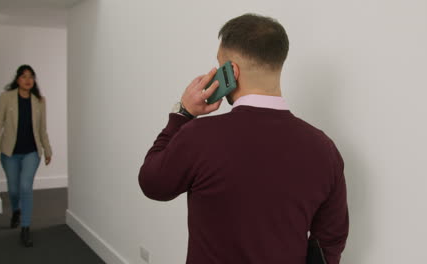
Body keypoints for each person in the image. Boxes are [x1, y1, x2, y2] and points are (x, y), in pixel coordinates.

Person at [139, 14, 348, 264]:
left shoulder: (199, 136)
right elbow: (330, 240)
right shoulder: (325, 149)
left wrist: (183, 113)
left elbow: (152, 183)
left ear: (232, 71)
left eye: (219, 65)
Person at [0, 65, 52, 247]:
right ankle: (16, 210)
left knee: (26, 186)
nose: (28, 80)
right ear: (18, 79)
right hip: (9, 153)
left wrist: (48, 150)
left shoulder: (40, 101)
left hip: (31, 152)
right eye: (24, 76)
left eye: (31, 76)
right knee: (14, 189)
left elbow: (42, 129)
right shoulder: (6, 98)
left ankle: (25, 227)